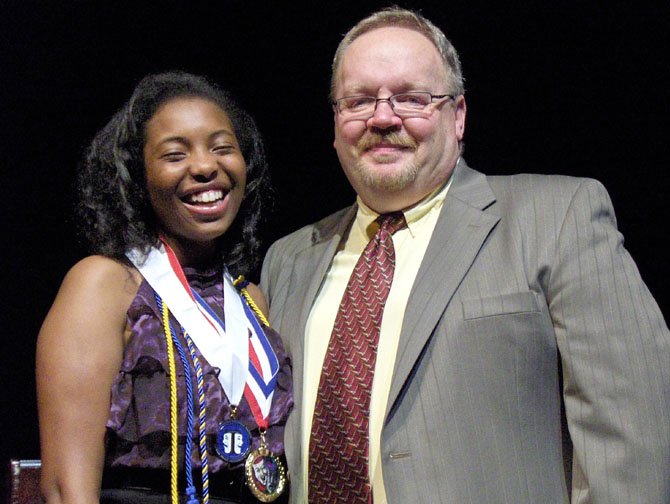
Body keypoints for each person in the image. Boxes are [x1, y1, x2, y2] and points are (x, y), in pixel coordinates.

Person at [260, 7, 670, 504]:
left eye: (411, 98)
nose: (383, 117)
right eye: (359, 101)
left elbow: (629, 435)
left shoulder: (557, 218)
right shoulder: (290, 259)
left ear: (458, 116)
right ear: (335, 120)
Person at [36, 72, 292, 504]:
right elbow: (66, 489)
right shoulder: (104, 285)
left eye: (222, 148)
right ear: (139, 177)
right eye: (175, 154)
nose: (205, 166)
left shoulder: (251, 299)